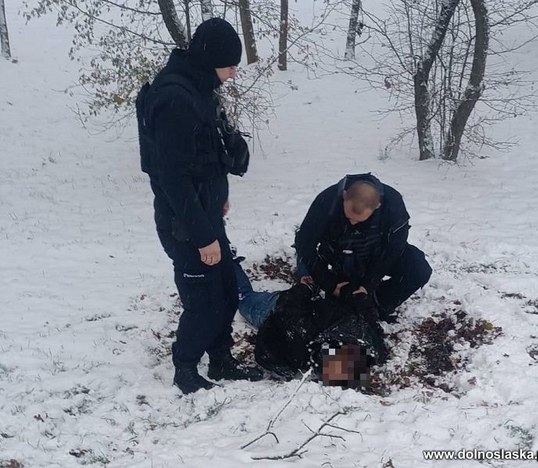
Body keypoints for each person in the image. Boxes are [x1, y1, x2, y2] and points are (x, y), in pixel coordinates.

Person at [136, 18, 261, 394]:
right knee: (203, 300)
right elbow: (173, 179)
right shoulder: (175, 99)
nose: (234, 74)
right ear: (210, 60)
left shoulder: (198, 87)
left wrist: (219, 196)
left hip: (205, 212)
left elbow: (203, 157)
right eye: (229, 65)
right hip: (185, 222)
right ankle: (185, 369)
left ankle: (221, 361)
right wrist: (203, 237)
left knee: (224, 290)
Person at [295, 173, 432, 321]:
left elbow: (394, 248)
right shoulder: (327, 201)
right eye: (349, 217)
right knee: (336, 299)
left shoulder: (393, 206)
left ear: (377, 206)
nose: (353, 223)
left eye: (359, 220)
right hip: (337, 254)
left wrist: (368, 285)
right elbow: (304, 242)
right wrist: (329, 284)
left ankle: (377, 303)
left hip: (375, 252)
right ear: (344, 195)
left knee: (419, 269)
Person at [234, 261, 388, 388]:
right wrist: (356, 296)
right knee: (308, 275)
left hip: (276, 311)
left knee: (245, 300)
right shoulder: (369, 341)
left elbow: (287, 313)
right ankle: (304, 245)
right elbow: (371, 317)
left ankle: (231, 264)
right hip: (299, 307)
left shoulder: (302, 345)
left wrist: (303, 289)